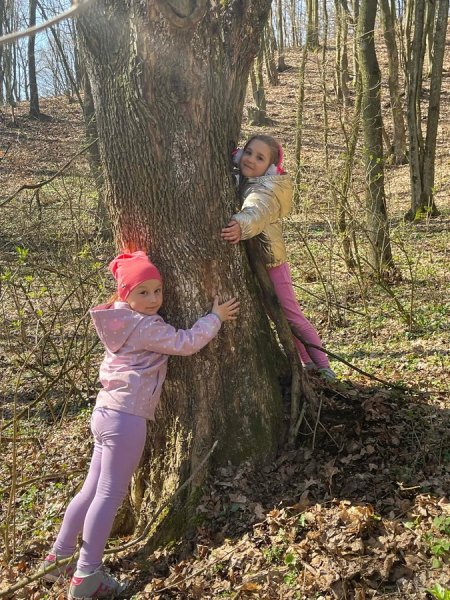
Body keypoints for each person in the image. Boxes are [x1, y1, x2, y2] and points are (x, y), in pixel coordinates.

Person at [41, 251, 239, 599]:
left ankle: (58, 559)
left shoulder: (118, 320)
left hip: (105, 412)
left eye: (157, 291)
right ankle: (87, 574)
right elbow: (185, 343)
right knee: (109, 494)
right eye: (142, 292)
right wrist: (215, 317)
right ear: (125, 294)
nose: (153, 299)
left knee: (91, 490)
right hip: (127, 417)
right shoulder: (145, 326)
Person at [221, 134, 335, 380]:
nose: (251, 159)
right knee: (276, 315)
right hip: (256, 263)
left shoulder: (267, 189)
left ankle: (324, 367)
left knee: (291, 315)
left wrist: (241, 224)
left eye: (260, 158)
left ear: (270, 168)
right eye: (248, 152)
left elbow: (258, 210)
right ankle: (308, 363)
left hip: (273, 263)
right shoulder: (244, 179)